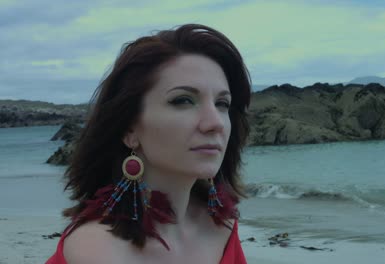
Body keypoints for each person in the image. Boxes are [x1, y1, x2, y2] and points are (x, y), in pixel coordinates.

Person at [46, 24, 251, 264]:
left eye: (222, 103)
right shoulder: (99, 252)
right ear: (129, 129)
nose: (215, 123)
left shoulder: (221, 227)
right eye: (183, 100)